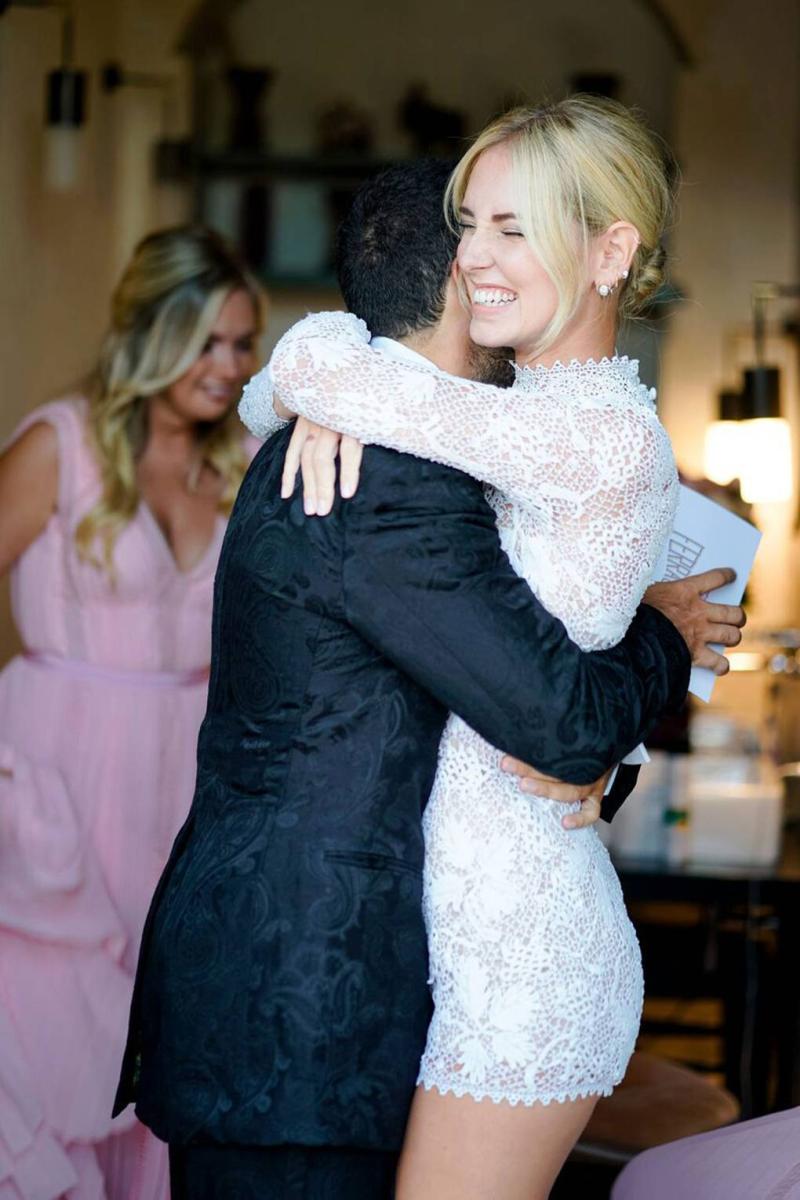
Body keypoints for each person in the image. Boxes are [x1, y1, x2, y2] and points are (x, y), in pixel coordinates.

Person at [115, 158, 744, 1200]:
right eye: (489, 237)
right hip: (301, 1013)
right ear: (462, 277)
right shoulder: (384, 477)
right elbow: (560, 717)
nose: (504, 263)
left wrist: (316, 372)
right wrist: (665, 634)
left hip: (289, 986)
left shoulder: (363, 430)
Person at [0, 226, 263, 1200]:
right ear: (151, 332)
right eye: (206, 342)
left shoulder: (247, 463)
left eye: (243, 343)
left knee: (163, 1035)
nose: (228, 366)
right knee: (50, 1036)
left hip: (184, 790)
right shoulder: (59, 445)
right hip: (53, 780)